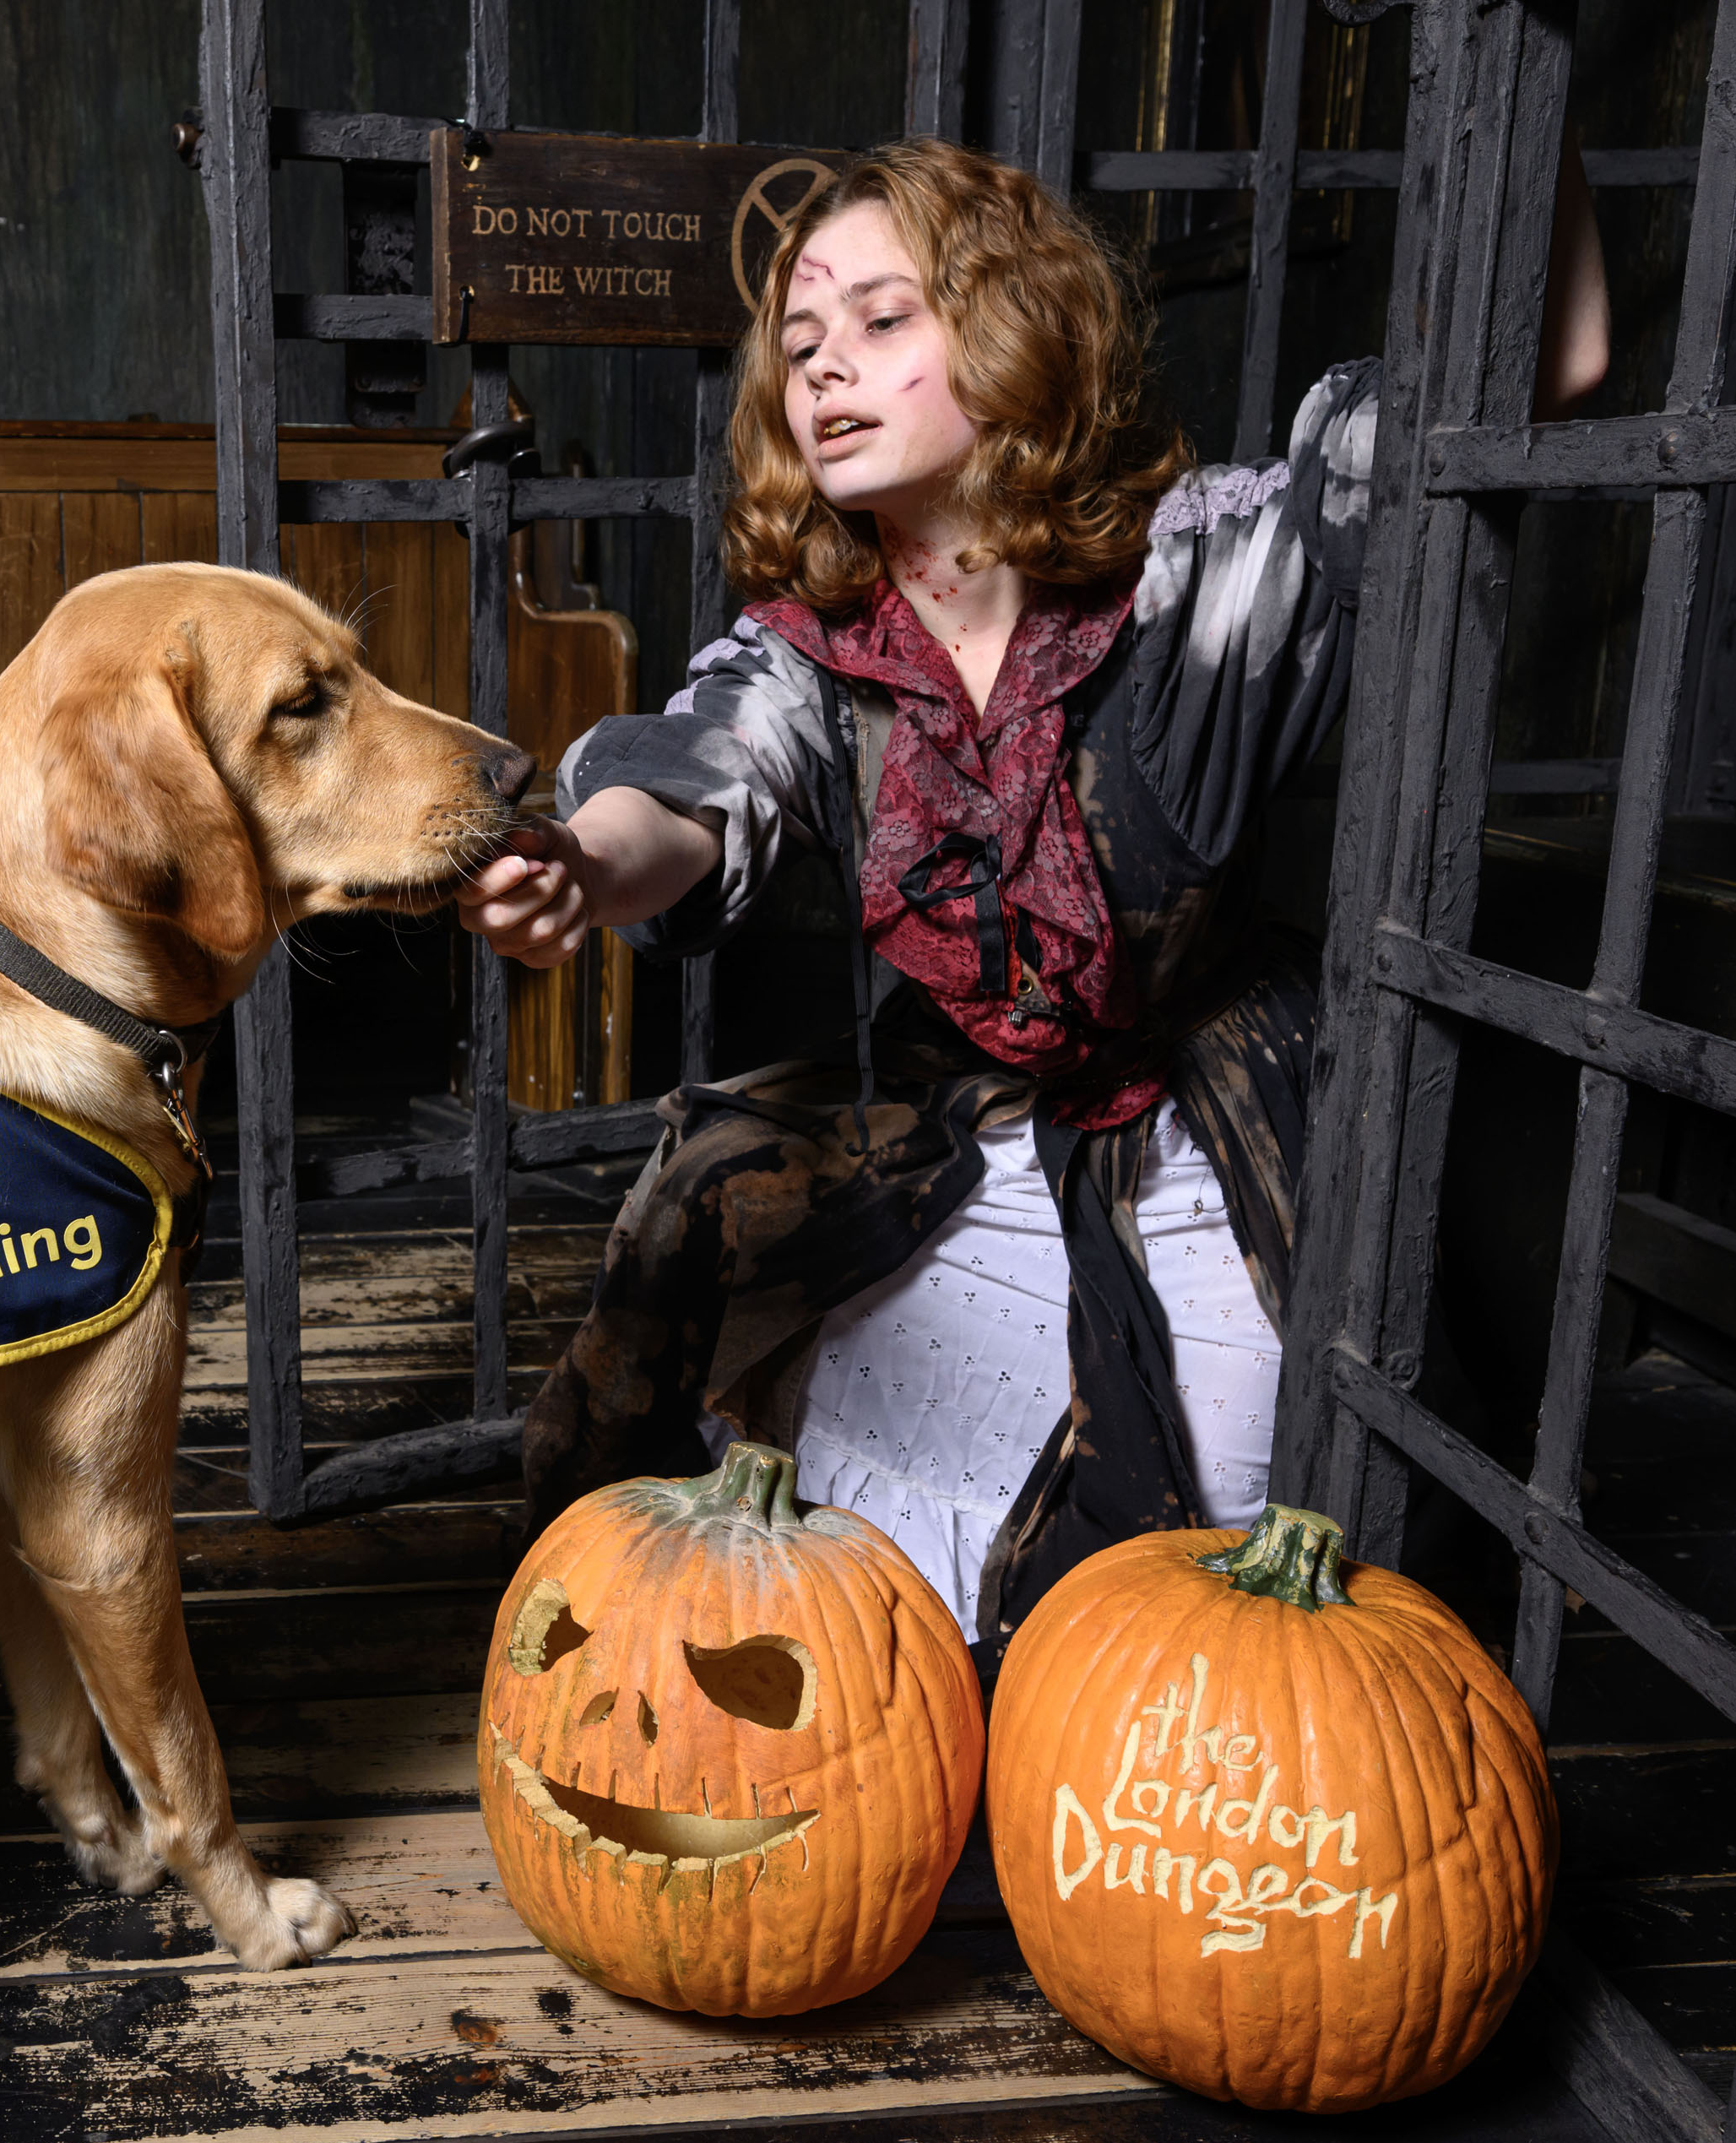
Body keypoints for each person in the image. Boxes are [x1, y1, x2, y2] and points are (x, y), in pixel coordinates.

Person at [458, 137, 1608, 1645]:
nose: (824, 372)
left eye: (882, 321)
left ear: (1011, 337)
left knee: (1211, 1607)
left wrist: (1534, 66)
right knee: (856, 1580)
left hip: (1213, 1143)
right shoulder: (818, 655)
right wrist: (582, 861)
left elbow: (1553, 358)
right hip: (971, 1138)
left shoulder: (1201, 581)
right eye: (801, 345)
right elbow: (689, 780)